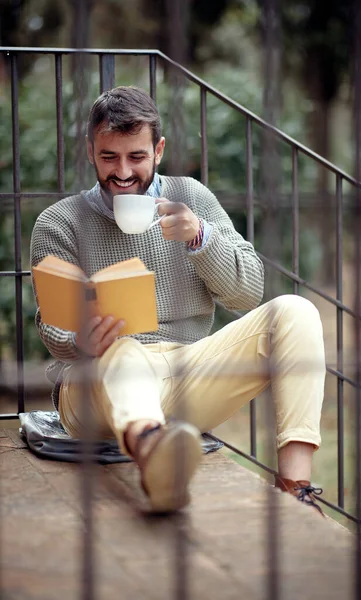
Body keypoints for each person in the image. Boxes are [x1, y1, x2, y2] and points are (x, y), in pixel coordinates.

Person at [30, 85, 326, 514]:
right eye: (109, 157)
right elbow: (51, 327)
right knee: (123, 350)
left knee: (296, 311)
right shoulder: (59, 222)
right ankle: (153, 453)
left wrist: (200, 240)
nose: (123, 172)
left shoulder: (192, 198)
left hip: (185, 378)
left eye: (137, 156)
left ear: (159, 149)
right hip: (94, 386)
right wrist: (81, 342)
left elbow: (248, 293)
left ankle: (295, 490)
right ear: (90, 151)